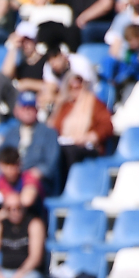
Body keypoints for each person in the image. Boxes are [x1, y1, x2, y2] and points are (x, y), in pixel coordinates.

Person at [50, 56, 113, 192]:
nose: (75, 89)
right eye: (72, 87)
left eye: (78, 86)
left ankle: (71, 188)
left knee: (69, 152)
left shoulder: (95, 104)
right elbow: (55, 128)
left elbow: (107, 125)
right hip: (67, 143)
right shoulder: (65, 107)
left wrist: (91, 136)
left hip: (87, 147)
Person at [0, 22, 48, 121]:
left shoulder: (45, 61)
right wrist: (13, 47)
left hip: (37, 102)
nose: (25, 45)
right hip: (19, 101)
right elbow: (5, 74)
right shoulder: (21, 64)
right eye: (22, 41)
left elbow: (52, 86)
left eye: (28, 41)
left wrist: (28, 84)